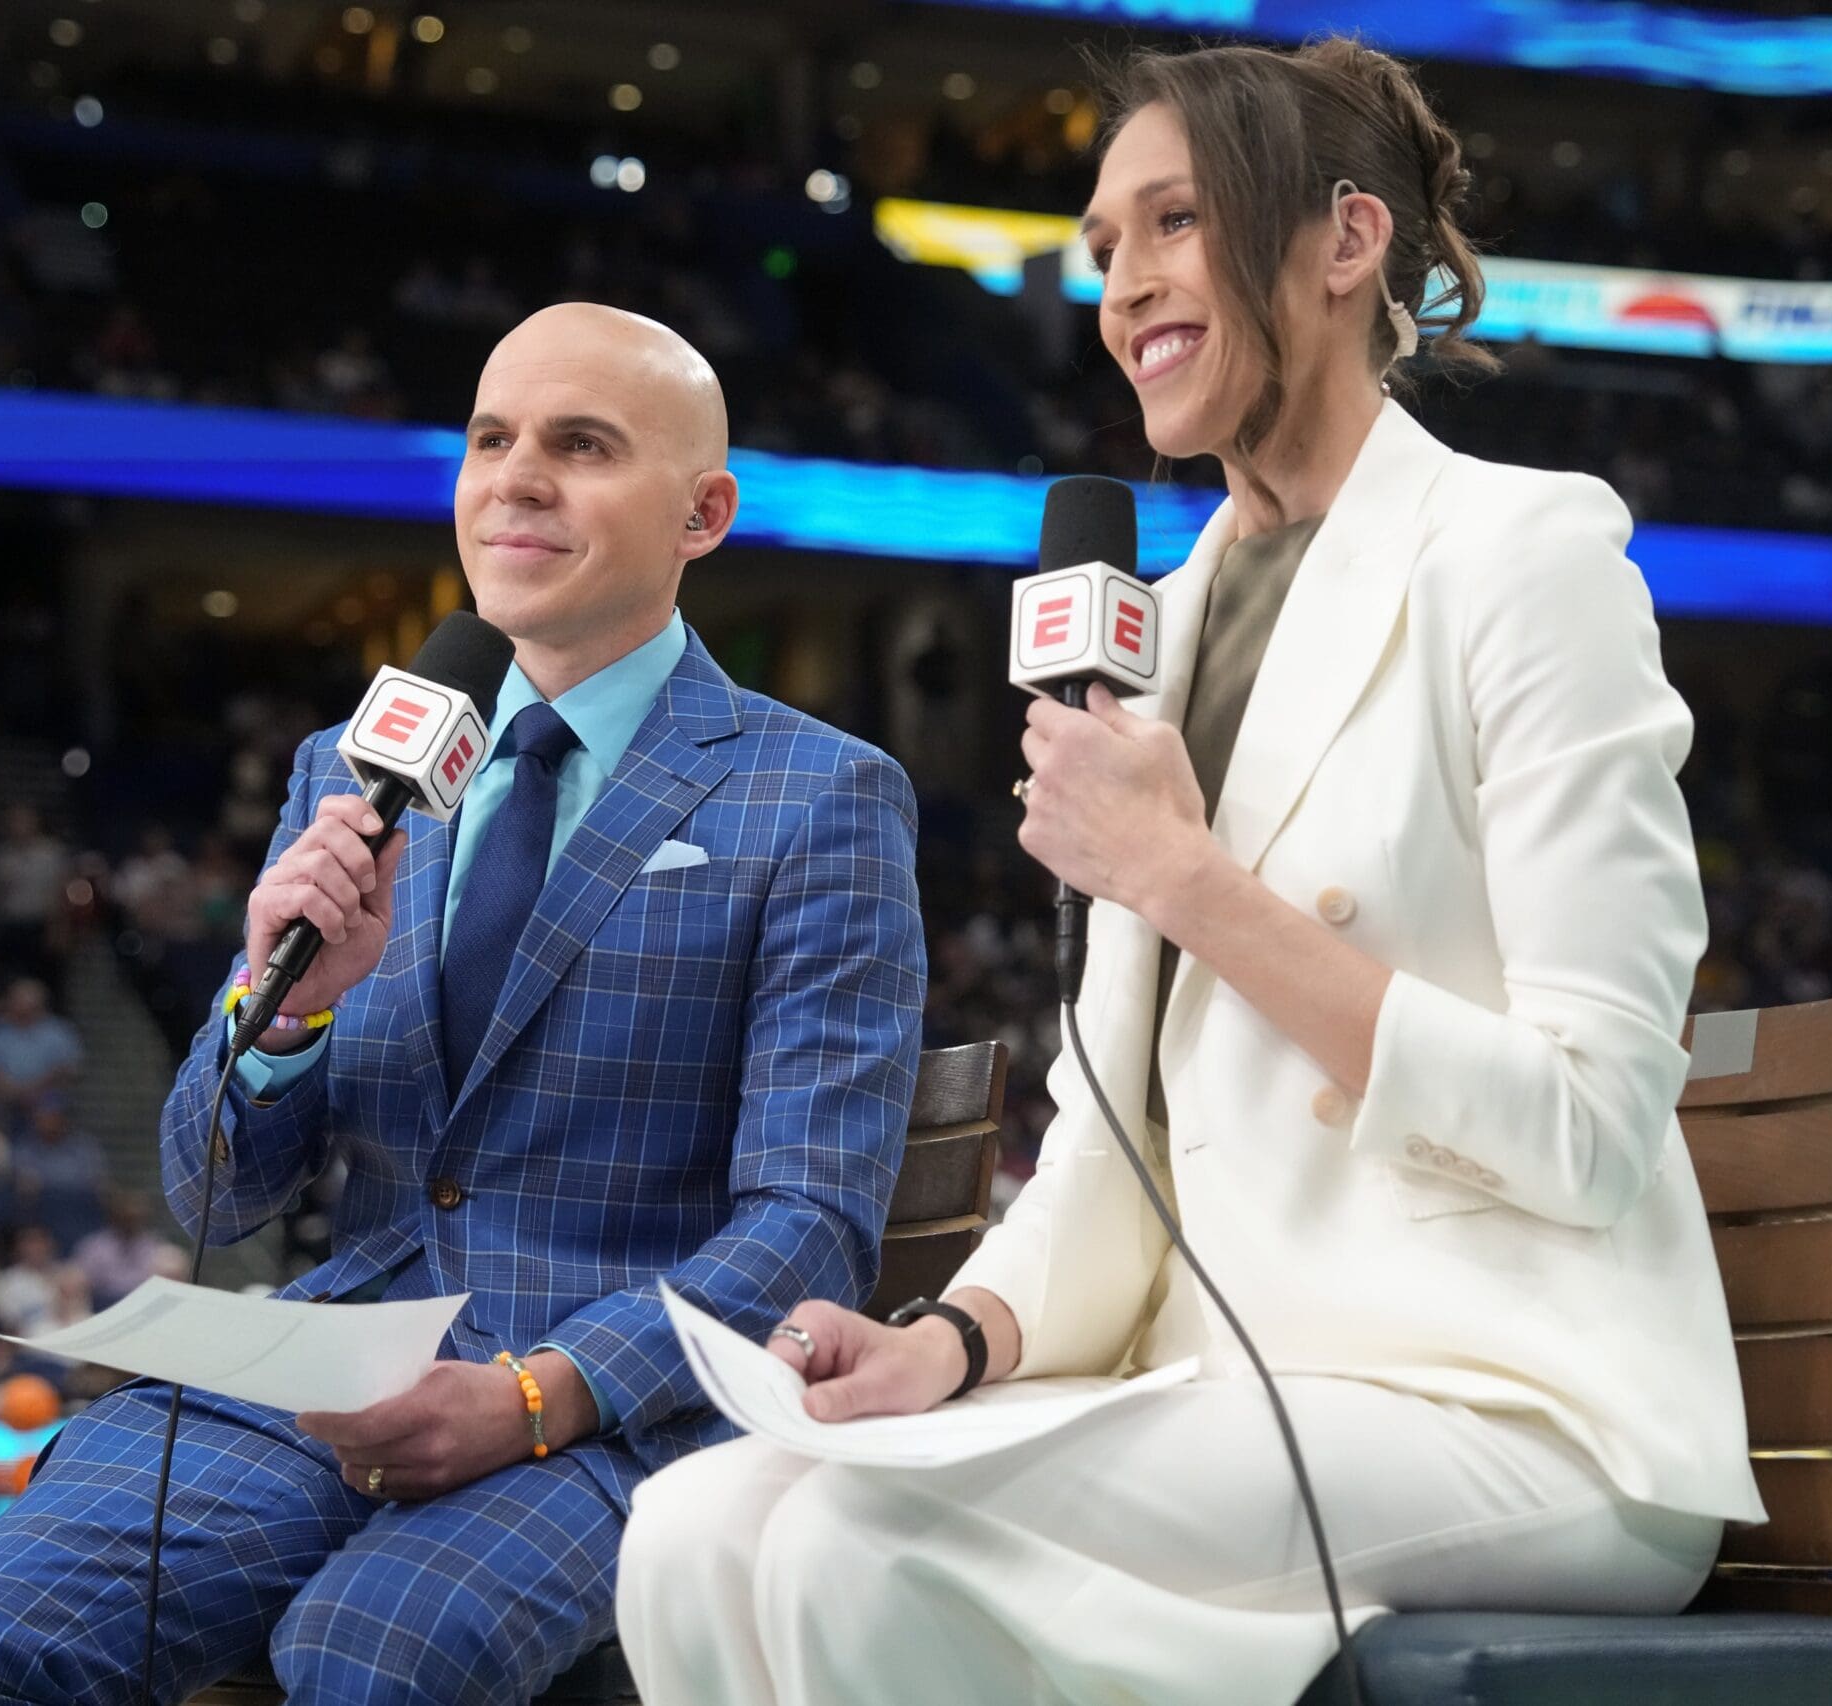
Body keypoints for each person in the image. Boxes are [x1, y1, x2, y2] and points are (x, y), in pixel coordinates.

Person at [618, 40, 1762, 1705]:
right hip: (1238, 1389)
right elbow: (1114, 1146)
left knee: (845, 1545)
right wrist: (956, 1338)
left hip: (1520, 1403)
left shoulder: (1527, 557)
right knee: (696, 1525)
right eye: (1102, 248)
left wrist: (1188, 880)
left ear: (1345, 239)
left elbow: (1590, 1128)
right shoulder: (1158, 635)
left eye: (1171, 222)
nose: (1123, 284)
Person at [0, 302, 927, 1706]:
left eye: (582, 444)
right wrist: (284, 1016)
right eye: (492, 439)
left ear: (703, 513)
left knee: (365, 1660)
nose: (517, 477)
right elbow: (213, 1187)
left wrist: (534, 1390)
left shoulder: (819, 794)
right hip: (325, 1375)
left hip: (615, 1413)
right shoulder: (348, 771)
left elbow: (811, 1224)